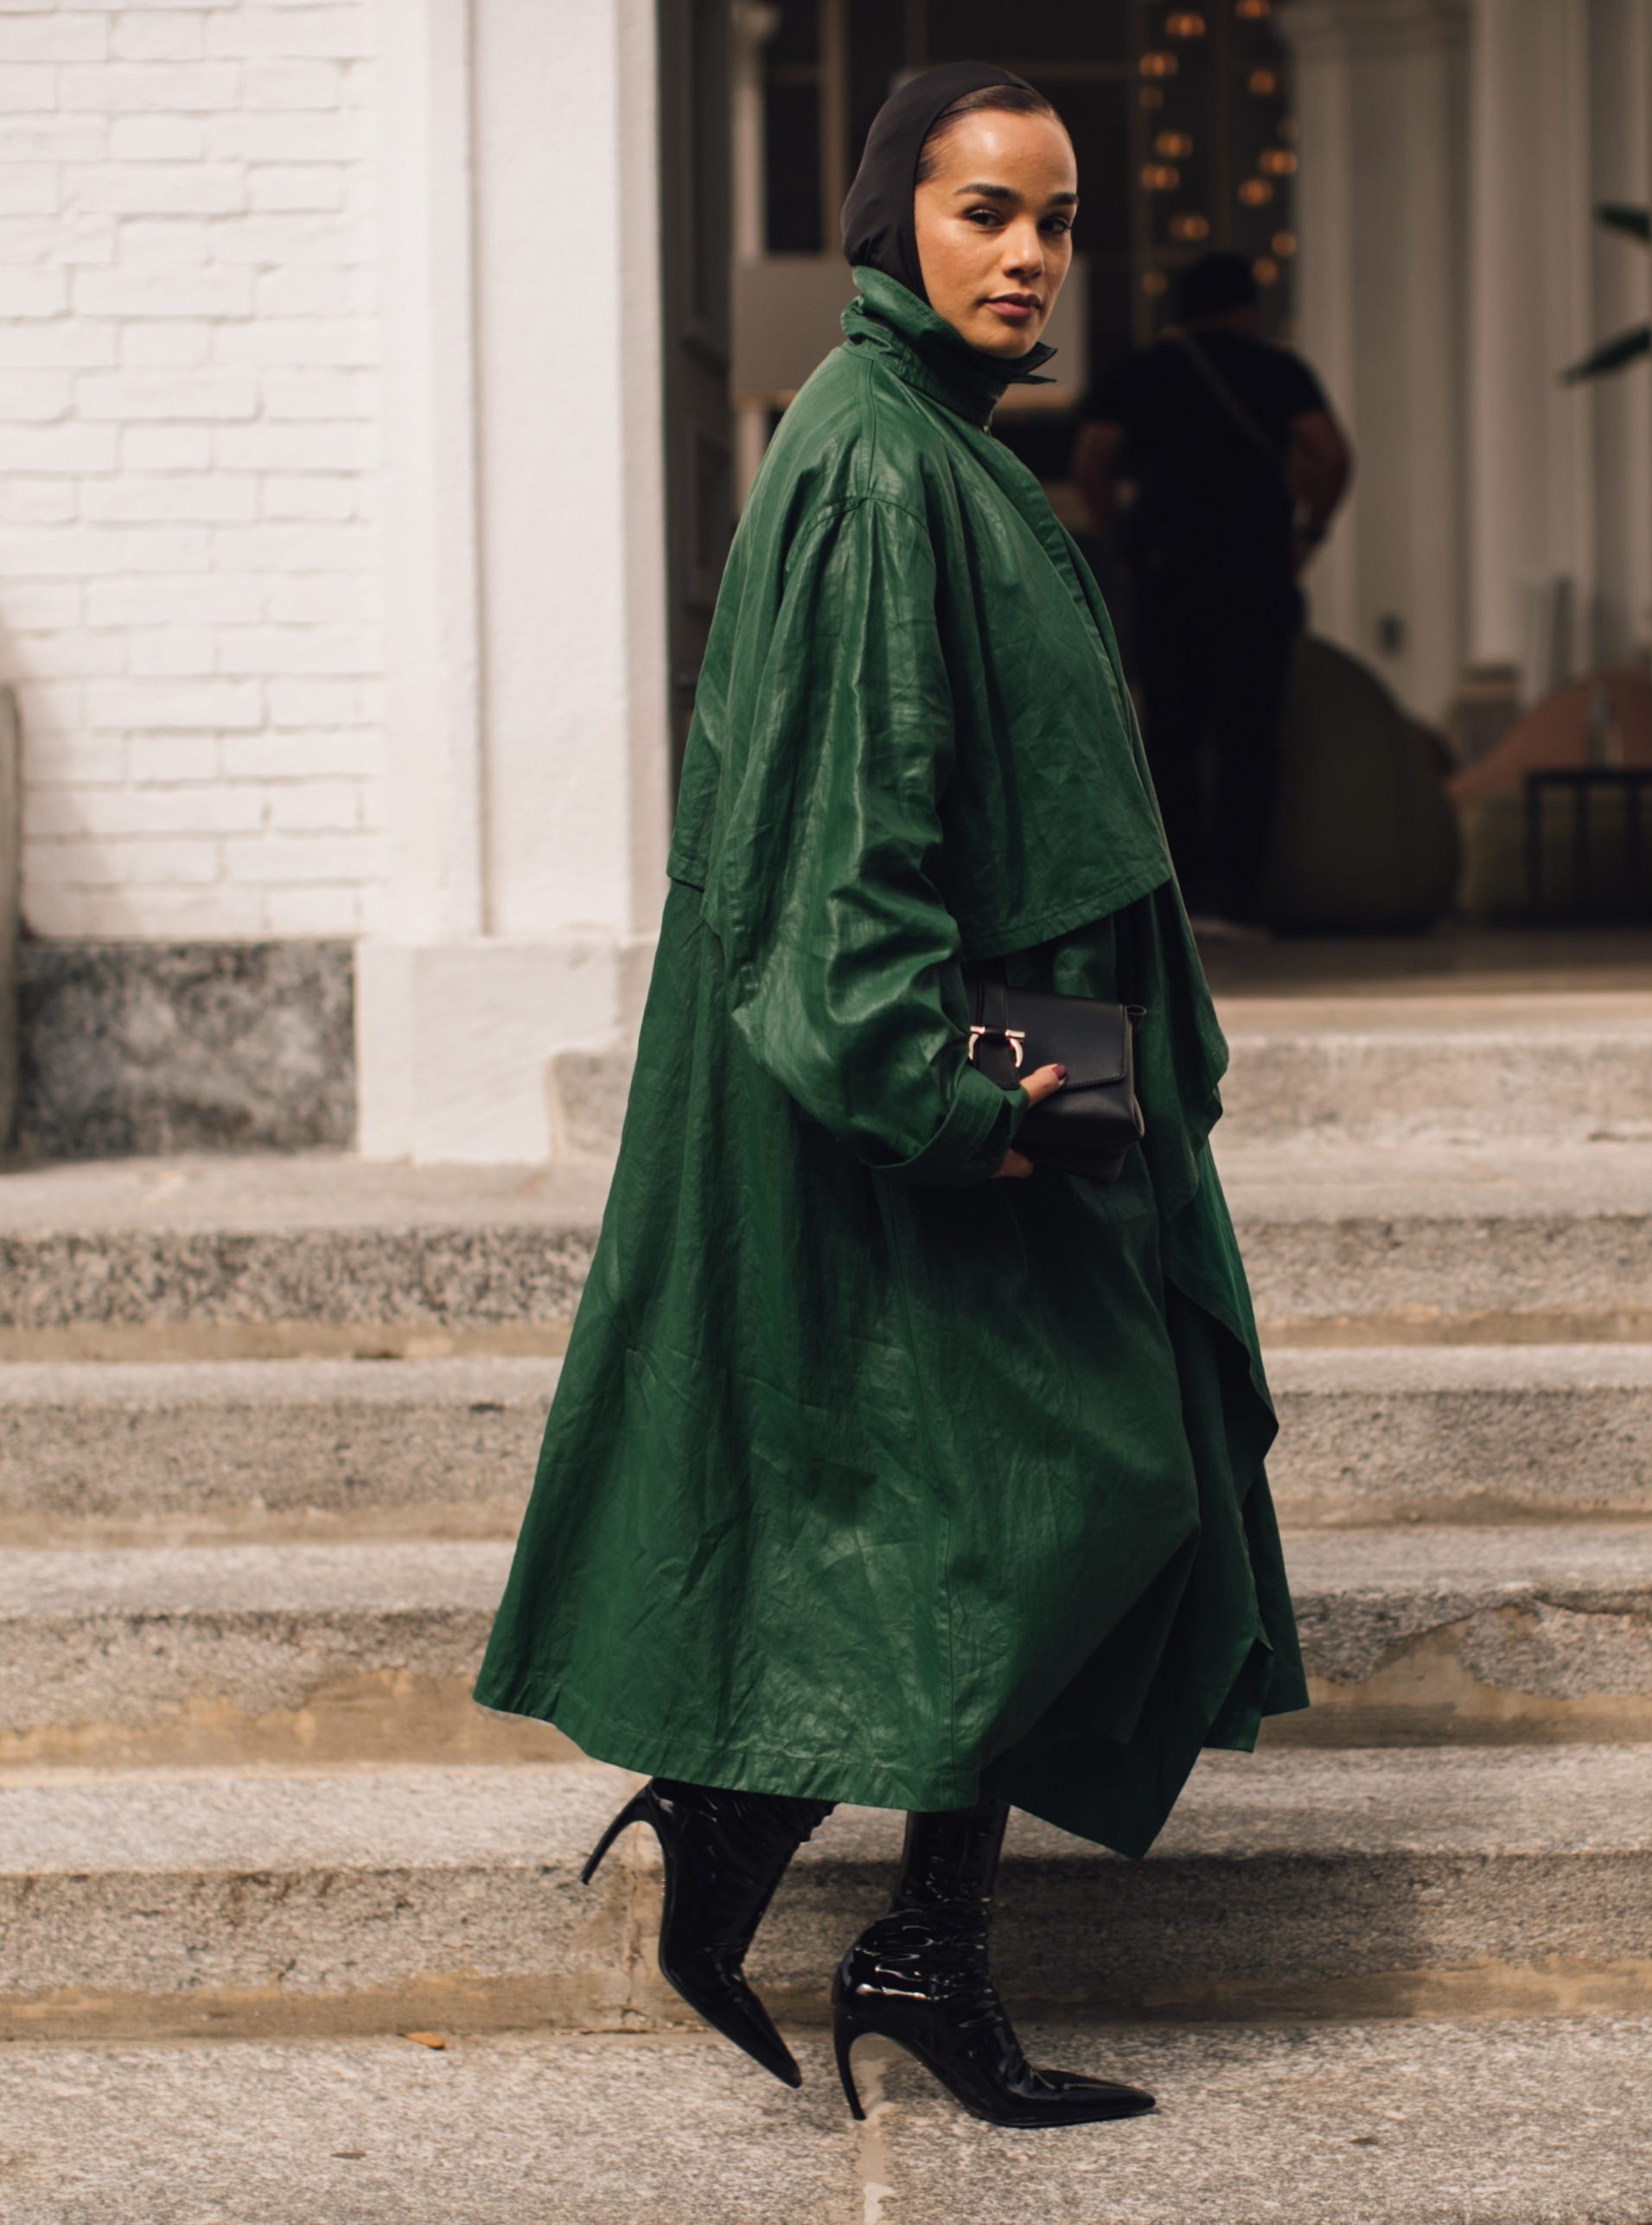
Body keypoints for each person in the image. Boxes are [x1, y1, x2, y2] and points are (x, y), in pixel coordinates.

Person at [472, 64, 1306, 2133]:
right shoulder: (872, 469)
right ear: (890, 226)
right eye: (981, 212)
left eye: (1055, 221)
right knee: (1088, 1481)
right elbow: (849, 858)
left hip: (1035, 1071)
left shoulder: (930, 445)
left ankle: (897, 1924)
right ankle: (769, 1819)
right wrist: (957, 1104)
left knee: (1026, 1504)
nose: (1027, 254)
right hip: (956, 1092)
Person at [1072, 252, 1350, 932]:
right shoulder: (1277, 370)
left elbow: (1090, 462)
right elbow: (1329, 452)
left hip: (1171, 577)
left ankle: (1178, 896)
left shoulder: (1142, 372)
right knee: (1249, 736)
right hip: (1255, 571)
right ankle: (1237, 894)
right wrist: (1309, 531)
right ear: (1247, 307)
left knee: (1168, 735)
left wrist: (1124, 541)